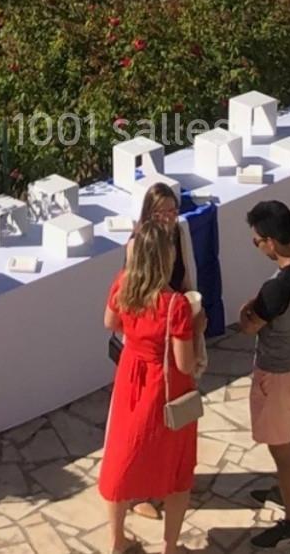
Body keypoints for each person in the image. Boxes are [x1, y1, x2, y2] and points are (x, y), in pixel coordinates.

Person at [99, 221, 197, 554]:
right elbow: (185, 364)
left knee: (121, 458)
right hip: (166, 388)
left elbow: (110, 323)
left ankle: (118, 540)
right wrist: (199, 329)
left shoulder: (123, 284)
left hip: (130, 379)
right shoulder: (176, 305)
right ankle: (170, 546)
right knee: (176, 468)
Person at [240, 200, 290, 549]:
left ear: (271, 241)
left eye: (256, 241)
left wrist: (247, 308)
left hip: (278, 373)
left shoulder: (276, 289)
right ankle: (287, 490)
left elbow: (248, 324)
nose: (257, 246)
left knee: (282, 448)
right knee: (288, 435)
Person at [125, 183, 202, 521]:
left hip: (176, 323)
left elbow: (188, 277)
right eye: (163, 212)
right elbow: (133, 293)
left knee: (165, 424)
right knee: (146, 425)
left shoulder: (179, 235)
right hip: (154, 343)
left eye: (173, 210)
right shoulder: (138, 245)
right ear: (149, 214)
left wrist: (192, 307)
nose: (171, 218)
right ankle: (138, 492)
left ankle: (160, 481)